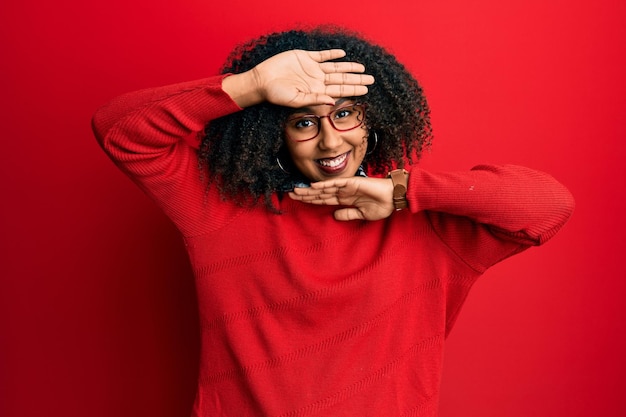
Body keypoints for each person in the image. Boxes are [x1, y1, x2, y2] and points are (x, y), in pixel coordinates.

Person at [92, 26, 574, 417]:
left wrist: (405, 192)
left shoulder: (426, 224)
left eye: (346, 115)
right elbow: (119, 130)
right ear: (271, 133)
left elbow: (548, 205)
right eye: (304, 122)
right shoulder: (217, 208)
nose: (330, 141)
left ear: (376, 120)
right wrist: (250, 87)